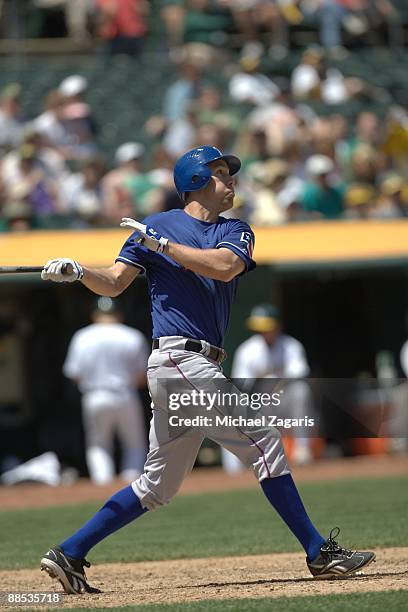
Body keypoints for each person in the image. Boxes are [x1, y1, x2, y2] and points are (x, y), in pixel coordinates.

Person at [39, 145, 375, 594]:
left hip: (191, 363)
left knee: (157, 486)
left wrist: (165, 248)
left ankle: (70, 552)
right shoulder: (155, 226)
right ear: (195, 181)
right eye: (219, 173)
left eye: (229, 173)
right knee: (266, 442)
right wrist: (79, 271)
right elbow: (116, 283)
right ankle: (318, 552)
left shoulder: (235, 229)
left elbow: (224, 267)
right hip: (181, 358)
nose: (231, 180)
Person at [222, 304, 316, 474]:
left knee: (301, 391)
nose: (263, 332)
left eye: (267, 327)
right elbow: (241, 386)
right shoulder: (247, 350)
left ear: (277, 325)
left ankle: (302, 450)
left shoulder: (291, 346)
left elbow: (299, 374)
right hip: (261, 405)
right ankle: (235, 471)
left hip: (284, 402)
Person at [63, 297, 148, 484]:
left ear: (95, 314)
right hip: (125, 394)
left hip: (94, 395)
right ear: (118, 314)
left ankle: (102, 485)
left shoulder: (82, 336)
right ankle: (131, 485)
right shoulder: (132, 335)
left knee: (98, 445)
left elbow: (74, 374)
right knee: (134, 444)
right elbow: (143, 376)